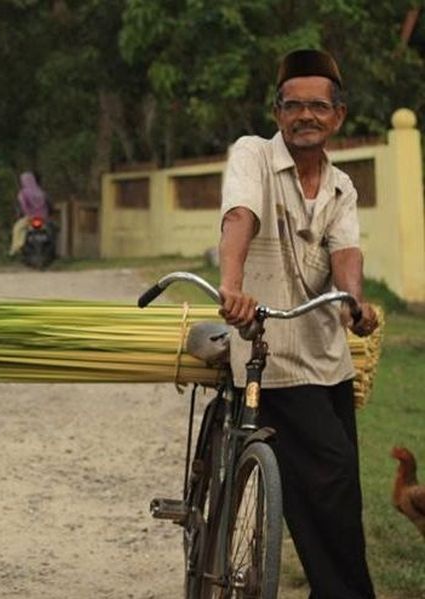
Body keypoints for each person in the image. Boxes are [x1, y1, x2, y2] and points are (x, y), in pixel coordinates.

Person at [217, 48, 379, 598]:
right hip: (272, 351)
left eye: (317, 106)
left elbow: (347, 254)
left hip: (328, 356)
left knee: (342, 489)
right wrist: (232, 286)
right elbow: (241, 214)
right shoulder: (253, 155)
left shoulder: (342, 186)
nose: (304, 115)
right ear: (277, 111)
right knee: (326, 477)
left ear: (338, 116)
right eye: (293, 106)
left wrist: (353, 305)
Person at [9, 170, 50, 256]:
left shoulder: (23, 193)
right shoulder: (41, 192)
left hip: (30, 217)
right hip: (43, 218)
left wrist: (27, 214)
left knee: (18, 228)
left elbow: (23, 206)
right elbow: (48, 204)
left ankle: (16, 247)